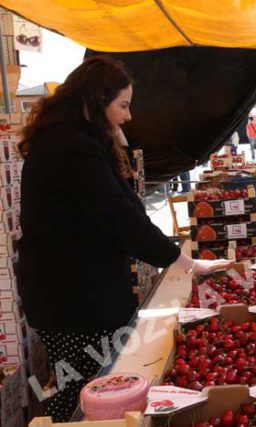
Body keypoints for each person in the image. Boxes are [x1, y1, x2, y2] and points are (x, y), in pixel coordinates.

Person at [16, 57, 232, 422]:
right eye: (123, 105)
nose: (129, 116)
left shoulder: (70, 140)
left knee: (85, 384)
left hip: (70, 294)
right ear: (95, 102)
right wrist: (189, 263)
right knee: (88, 389)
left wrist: (115, 141)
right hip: (75, 301)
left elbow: (122, 207)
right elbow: (124, 218)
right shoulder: (74, 149)